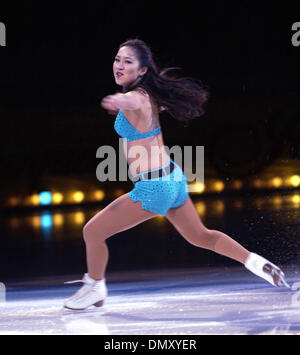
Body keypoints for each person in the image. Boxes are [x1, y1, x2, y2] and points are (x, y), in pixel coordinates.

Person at [63, 39, 289, 310]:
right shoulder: (150, 96)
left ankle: (95, 286)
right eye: (117, 60)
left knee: (92, 231)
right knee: (201, 236)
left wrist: (117, 99)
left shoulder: (135, 98)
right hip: (173, 179)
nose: (119, 66)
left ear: (143, 70)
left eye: (128, 62)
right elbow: (145, 105)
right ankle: (256, 263)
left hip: (154, 188)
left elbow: (130, 101)